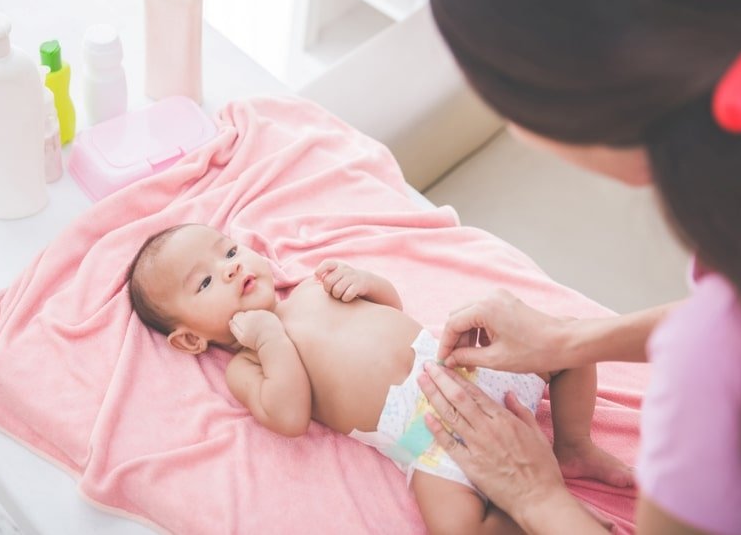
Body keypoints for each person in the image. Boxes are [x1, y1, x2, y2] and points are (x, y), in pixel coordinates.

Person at [417, 0, 741, 533]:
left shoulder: (714, 365)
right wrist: (566, 340)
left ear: (553, 109)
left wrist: (535, 496)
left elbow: (727, 335)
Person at [125, 223, 632, 534]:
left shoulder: (309, 289)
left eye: (229, 252)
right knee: (455, 527)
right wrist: (268, 339)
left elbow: (390, 309)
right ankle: (537, 519)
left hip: (460, 367)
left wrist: (369, 283)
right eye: (207, 281)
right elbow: (289, 416)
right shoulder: (246, 364)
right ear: (191, 339)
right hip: (420, 436)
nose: (231, 269)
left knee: (565, 343)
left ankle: (572, 444)